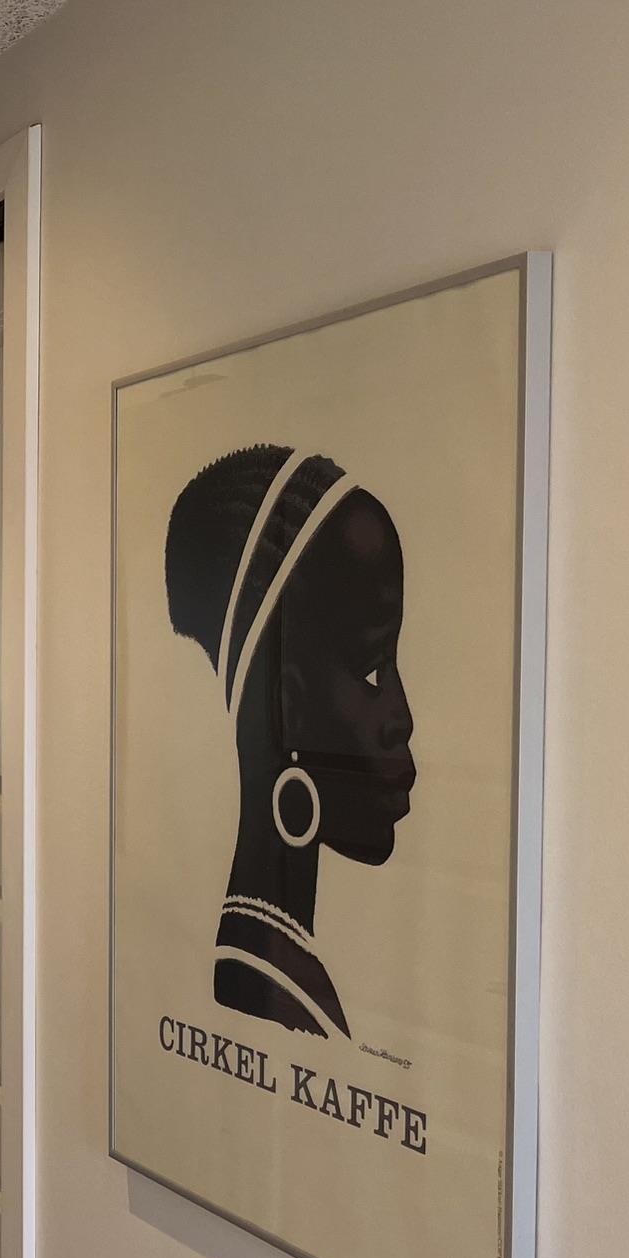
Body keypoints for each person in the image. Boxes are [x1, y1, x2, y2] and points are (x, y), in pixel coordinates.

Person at [164, 445, 417, 1039]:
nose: (402, 718)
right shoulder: (264, 986)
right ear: (287, 704)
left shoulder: (280, 974)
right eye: (373, 667)